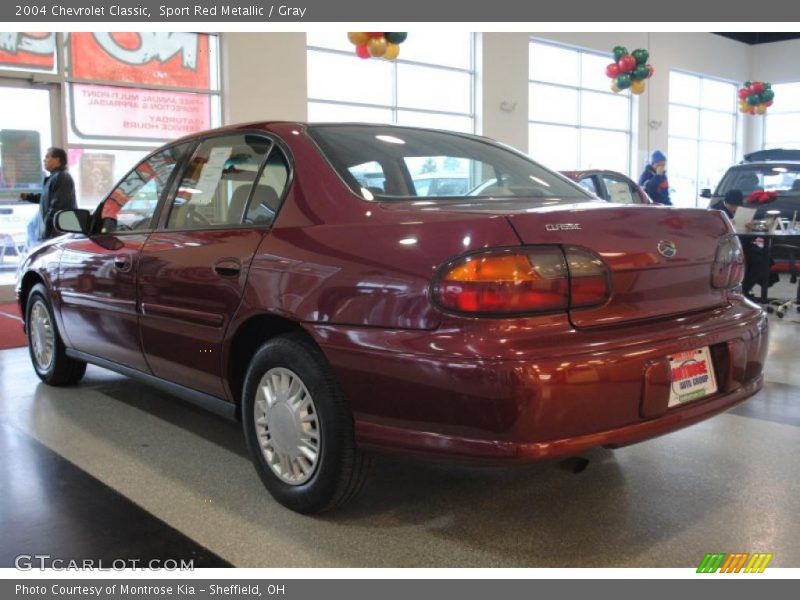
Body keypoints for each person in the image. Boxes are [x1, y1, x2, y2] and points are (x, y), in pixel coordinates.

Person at [710, 189, 776, 298]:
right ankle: (741, 292)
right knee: (758, 261)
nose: (735, 209)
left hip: (741, 243)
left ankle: (744, 289)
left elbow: (748, 237)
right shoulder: (716, 211)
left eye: (737, 206)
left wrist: (751, 229)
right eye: (733, 206)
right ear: (726, 203)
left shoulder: (739, 212)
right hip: (725, 247)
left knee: (765, 257)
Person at [20, 147, 77, 243]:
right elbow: (45, 198)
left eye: (47, 157)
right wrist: (28, 197)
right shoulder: (54, 177)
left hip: (58, 233)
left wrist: (47, 229)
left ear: (57, 160)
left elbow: (57, 205)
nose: (44, 160)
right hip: (55, 232)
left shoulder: (62, 177)